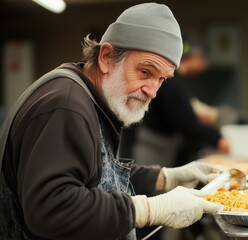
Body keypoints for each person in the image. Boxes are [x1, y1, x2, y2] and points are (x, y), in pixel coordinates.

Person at [0, 3, 223, 240]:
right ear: (106, 57)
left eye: (162, 80)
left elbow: (97, 175)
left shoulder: (89, 96)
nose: (152, 92)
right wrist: (147, 210)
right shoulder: (65, 106)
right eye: (145, 72)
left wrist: (167, 178)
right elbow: (51, 208)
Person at [122, 37, 230, 170]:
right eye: (204, 61)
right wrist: (216, 138)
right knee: (149, 185)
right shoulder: (172, 80)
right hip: (153, 145)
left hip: (159, 143)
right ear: (196, 58)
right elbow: (185, 121)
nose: (204, 67)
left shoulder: (177, 80)